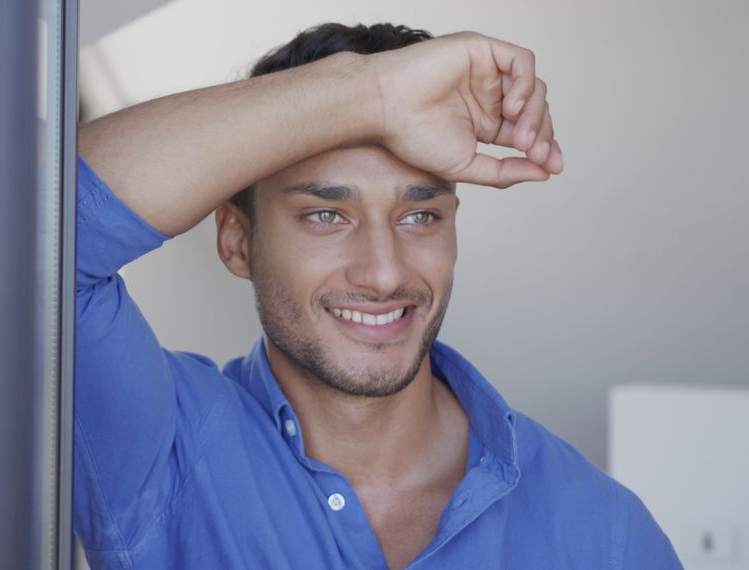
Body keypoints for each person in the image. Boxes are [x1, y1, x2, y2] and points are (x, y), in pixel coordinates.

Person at [73, 22, 681, 569]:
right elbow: (46, 228)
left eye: (420, 218)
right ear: (237, 240)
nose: (385, 274)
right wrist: (373, 95)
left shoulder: (608, 535)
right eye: (325, 216)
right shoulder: (160, 453)